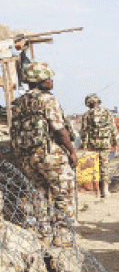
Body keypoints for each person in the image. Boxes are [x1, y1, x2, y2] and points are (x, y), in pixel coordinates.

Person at [10, 62, 78, 246]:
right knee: (63, 193)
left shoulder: (18, 103)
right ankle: (63, 236)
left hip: (28, 157)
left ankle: (43, 236)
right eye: (48, 78)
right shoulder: (47, 99)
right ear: (38, 80)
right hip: (50, 155)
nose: (51, 81)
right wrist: (72, 152)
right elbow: (59, 129)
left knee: (38, 195)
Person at [80, 94, 119, 198]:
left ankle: (96, 191)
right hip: (105, 144)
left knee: (94, 168)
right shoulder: (107, 113)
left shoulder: (87, 115)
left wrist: (84, 146)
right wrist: (115, 143)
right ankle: (105, 191)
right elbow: (113, 129)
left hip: (92, 146)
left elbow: (84, 132)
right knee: (104, 167)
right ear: (98, 102)